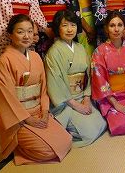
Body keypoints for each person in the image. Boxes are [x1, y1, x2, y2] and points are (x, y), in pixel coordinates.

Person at [0, 14, 72, 165]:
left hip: (39, 112)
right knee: (46, 151)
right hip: (18, 118)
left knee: (67, 140)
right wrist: (27, 119)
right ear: (10, 35)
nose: (26, 36)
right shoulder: (5, 60)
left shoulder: (35, 57)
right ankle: (17, 146)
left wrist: (46, 112)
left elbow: (43, 89)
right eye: (20, 32)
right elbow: (5, 97)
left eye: (30, 32)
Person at [45, 10, 106, 147]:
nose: (69, 29)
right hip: (66, 102)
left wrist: (86, 98)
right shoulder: (54, 52)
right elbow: (55, 84)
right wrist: (76, 105)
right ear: (57, 28)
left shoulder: (80, 48)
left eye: (73, 25)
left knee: (102, 125)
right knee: (89, 133)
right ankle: (63, 133)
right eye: (65, 25)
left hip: (82, 97)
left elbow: (88, 76)